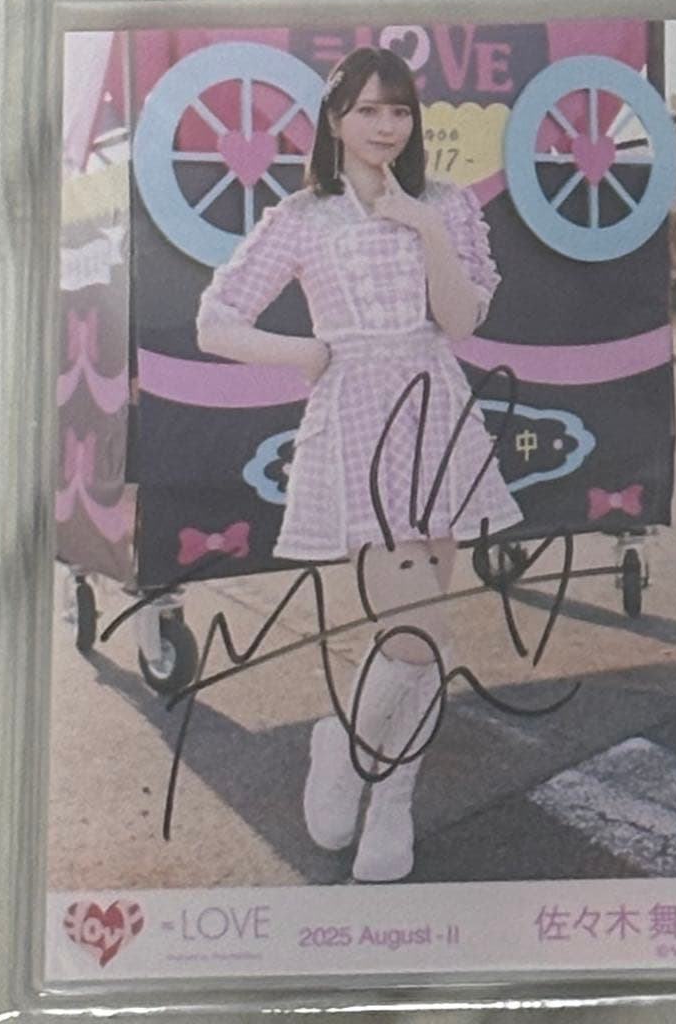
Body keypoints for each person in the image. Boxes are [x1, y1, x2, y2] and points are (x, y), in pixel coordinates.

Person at [197, 46, 522, 882]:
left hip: (436, 410)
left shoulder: (445, 204)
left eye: (400, 110)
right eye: (369, 110)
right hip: (357, 421)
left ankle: (386, 796)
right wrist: (304, 353)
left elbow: (460, 323)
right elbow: (215, 320)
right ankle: (347, 751)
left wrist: (422, 226)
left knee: (418, 633)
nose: (386, 126)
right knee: (419, 634)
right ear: (336, 120)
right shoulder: (305, 216)